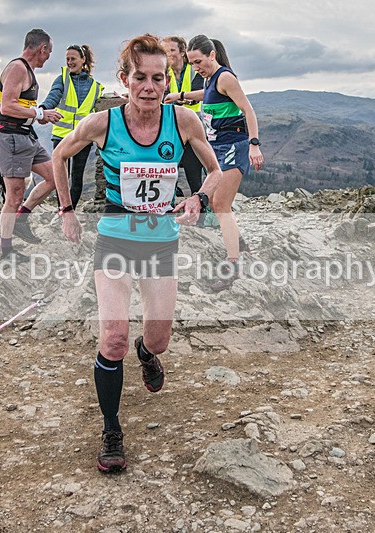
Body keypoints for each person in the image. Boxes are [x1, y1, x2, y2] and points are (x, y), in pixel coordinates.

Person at [52, 34, 222, 473]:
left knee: (158, 337)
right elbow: (58, 154)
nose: (150, 87)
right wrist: (67, 209)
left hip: (161, 243)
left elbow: (216, 171)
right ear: (125, 79)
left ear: (168, 80)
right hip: (114, 239)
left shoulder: (183, 121)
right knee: (112, 338)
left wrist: (198, 199)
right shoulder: (102, 123)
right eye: (140, 78)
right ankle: (111, 429)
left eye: (158, 78)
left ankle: (148, 355)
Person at [186, 35, 263, 292]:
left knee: (220, 204)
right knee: (220, 203)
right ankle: (240, 246)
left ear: (211, 55)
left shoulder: (226, 77)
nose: (196, 67)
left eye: (198, 61)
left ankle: (233, 267)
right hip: (217, 147)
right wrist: (182, 95)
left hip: (234, 146)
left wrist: (254, 144)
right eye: (191, 64)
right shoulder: (210, 79)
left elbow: (248, 110)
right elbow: (207, 94)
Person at [0, 28, 63, 258]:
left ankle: (22, 217)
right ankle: (6, 250)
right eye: (49, 52)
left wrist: (38, 115)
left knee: (56, 178)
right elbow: (7, 107)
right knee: (14, 195)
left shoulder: (26, 70)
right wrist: (40, 115)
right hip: (10, 137)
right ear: (42, 48)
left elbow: (19, 106)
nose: (49, 57)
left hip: (25, 135)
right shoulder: (17, 68)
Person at [39, 44, 104, 209]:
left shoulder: (96, 87)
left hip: (83, 137)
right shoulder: (62, 78)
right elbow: (53, 96)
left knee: (77, 176)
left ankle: (70, 210)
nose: (69, 62)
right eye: (67, 59)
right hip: (61, 134)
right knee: (61, 176)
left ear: (83, 60)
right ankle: (63, 208)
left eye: (73, 59)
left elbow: (99, 109)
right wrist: (43, 109)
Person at [161, 36, 206, 197]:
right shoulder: (164, 73)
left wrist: (178, 97)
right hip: (170, 125)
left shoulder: (194, 70)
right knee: (168, 164)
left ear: (182, 52)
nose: (168, 54)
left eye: (172, 50)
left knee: (193, 167)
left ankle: (201, 206)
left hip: (193, 125)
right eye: (165, 51)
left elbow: (200, 93)